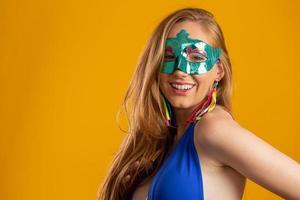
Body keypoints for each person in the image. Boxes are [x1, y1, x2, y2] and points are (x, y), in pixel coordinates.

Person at [97, 7, 300, 200]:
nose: (180, 71)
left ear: (218, 71)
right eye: (169, 56)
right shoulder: (167, 142)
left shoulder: (213, 129)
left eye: (196, 57)